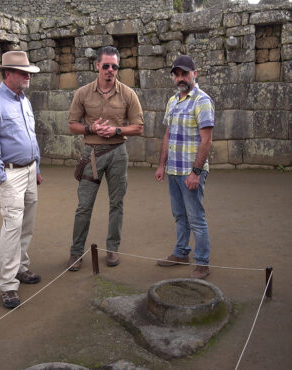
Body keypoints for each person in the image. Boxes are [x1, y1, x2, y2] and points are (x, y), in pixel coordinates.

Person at [67, 46, 144, 271]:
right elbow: (72, 125)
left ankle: (112, 249)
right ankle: (75, 252)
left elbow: (138, 127)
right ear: (97, 66)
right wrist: (91, 128)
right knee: (84, 205)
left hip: (118, 154)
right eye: (106, 66)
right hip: (92, 154)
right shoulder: (82, 93)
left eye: (115, 67)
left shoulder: (128, 94)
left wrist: (117, 131)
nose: (111, 70)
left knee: (116, 203)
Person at [0, 51, 43, 309]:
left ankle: (21, 268)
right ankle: (7, 284)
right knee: (12, 226)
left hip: (29, 170)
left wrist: (36, 166)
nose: (27, 76)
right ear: (8, 74)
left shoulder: (23, 101)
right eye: (22, 72)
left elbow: (31, 135)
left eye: (28, 72)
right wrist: (2, 176)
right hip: (10, 173)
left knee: (27, 223)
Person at [154, 55, 214, 279]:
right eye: (177, 74)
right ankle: (181, 252)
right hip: (173, 171)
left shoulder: (202, 101)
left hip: (191, 172)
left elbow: (206, 140)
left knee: (196, 217)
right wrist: (161, 165)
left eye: (185, 74)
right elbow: (167, 135)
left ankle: (202, 263)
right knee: (180, 215)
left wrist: (196, 173)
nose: (180, 78)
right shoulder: (172, 101)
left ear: (194, 74)